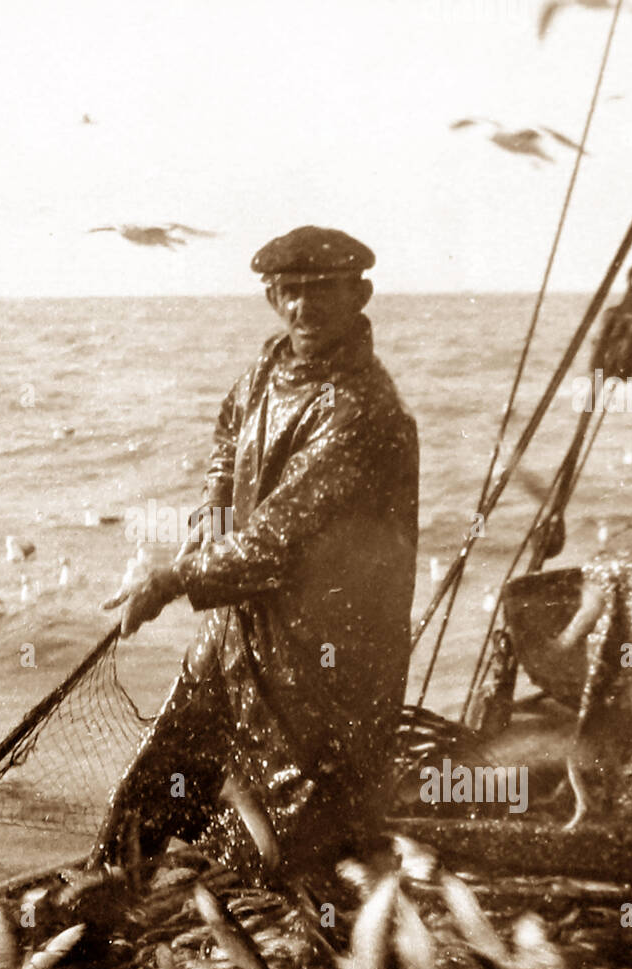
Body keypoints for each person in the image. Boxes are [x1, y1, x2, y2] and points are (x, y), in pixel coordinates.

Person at [94, 225, 420, 882]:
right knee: (149, 802)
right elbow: (229, 432)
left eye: (321, 291)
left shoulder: (362, 408)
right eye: (289, 293)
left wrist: (168, 582)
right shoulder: (271, 367)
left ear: (361, 294)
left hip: (324, 661)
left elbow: (276, 543)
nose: (303, 308)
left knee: (278, 851)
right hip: (238, 630)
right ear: (272, 297)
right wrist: (214, 501)